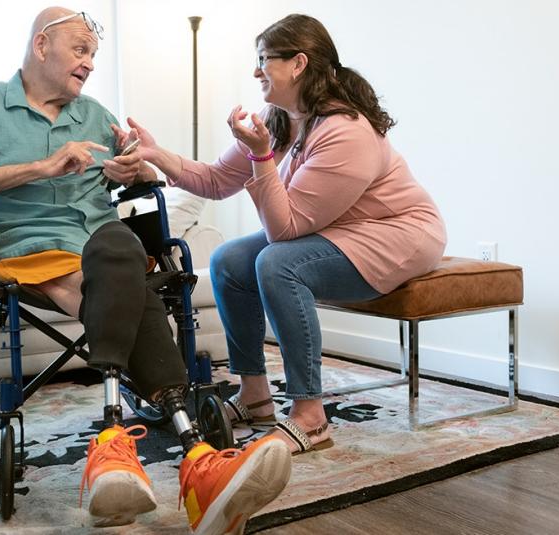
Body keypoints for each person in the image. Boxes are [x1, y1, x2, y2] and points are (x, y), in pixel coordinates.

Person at [0, 7, 291, 533]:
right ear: (41, 44)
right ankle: (197, 459)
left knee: (119, 242)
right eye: (80, 49)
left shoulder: (96, 114)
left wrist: (135, 168)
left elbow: (137, 174)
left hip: (99, 245)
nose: (90, 63)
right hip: (26, 251)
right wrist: (44, 166)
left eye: (94, 54)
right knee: (126, 282)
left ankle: (115, 445)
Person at [123, 14, 447, 455]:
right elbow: (217, 180)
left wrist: (261, 157)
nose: (256, 71)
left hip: (397, 233)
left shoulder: (345, 131)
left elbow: (285, 230)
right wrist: (155, 152)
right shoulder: (277, 119)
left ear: (298, 64)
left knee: (276, 263)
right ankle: (254, 395)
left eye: (263, 60)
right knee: (229, 261)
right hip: (340, 228)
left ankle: (310, 416)